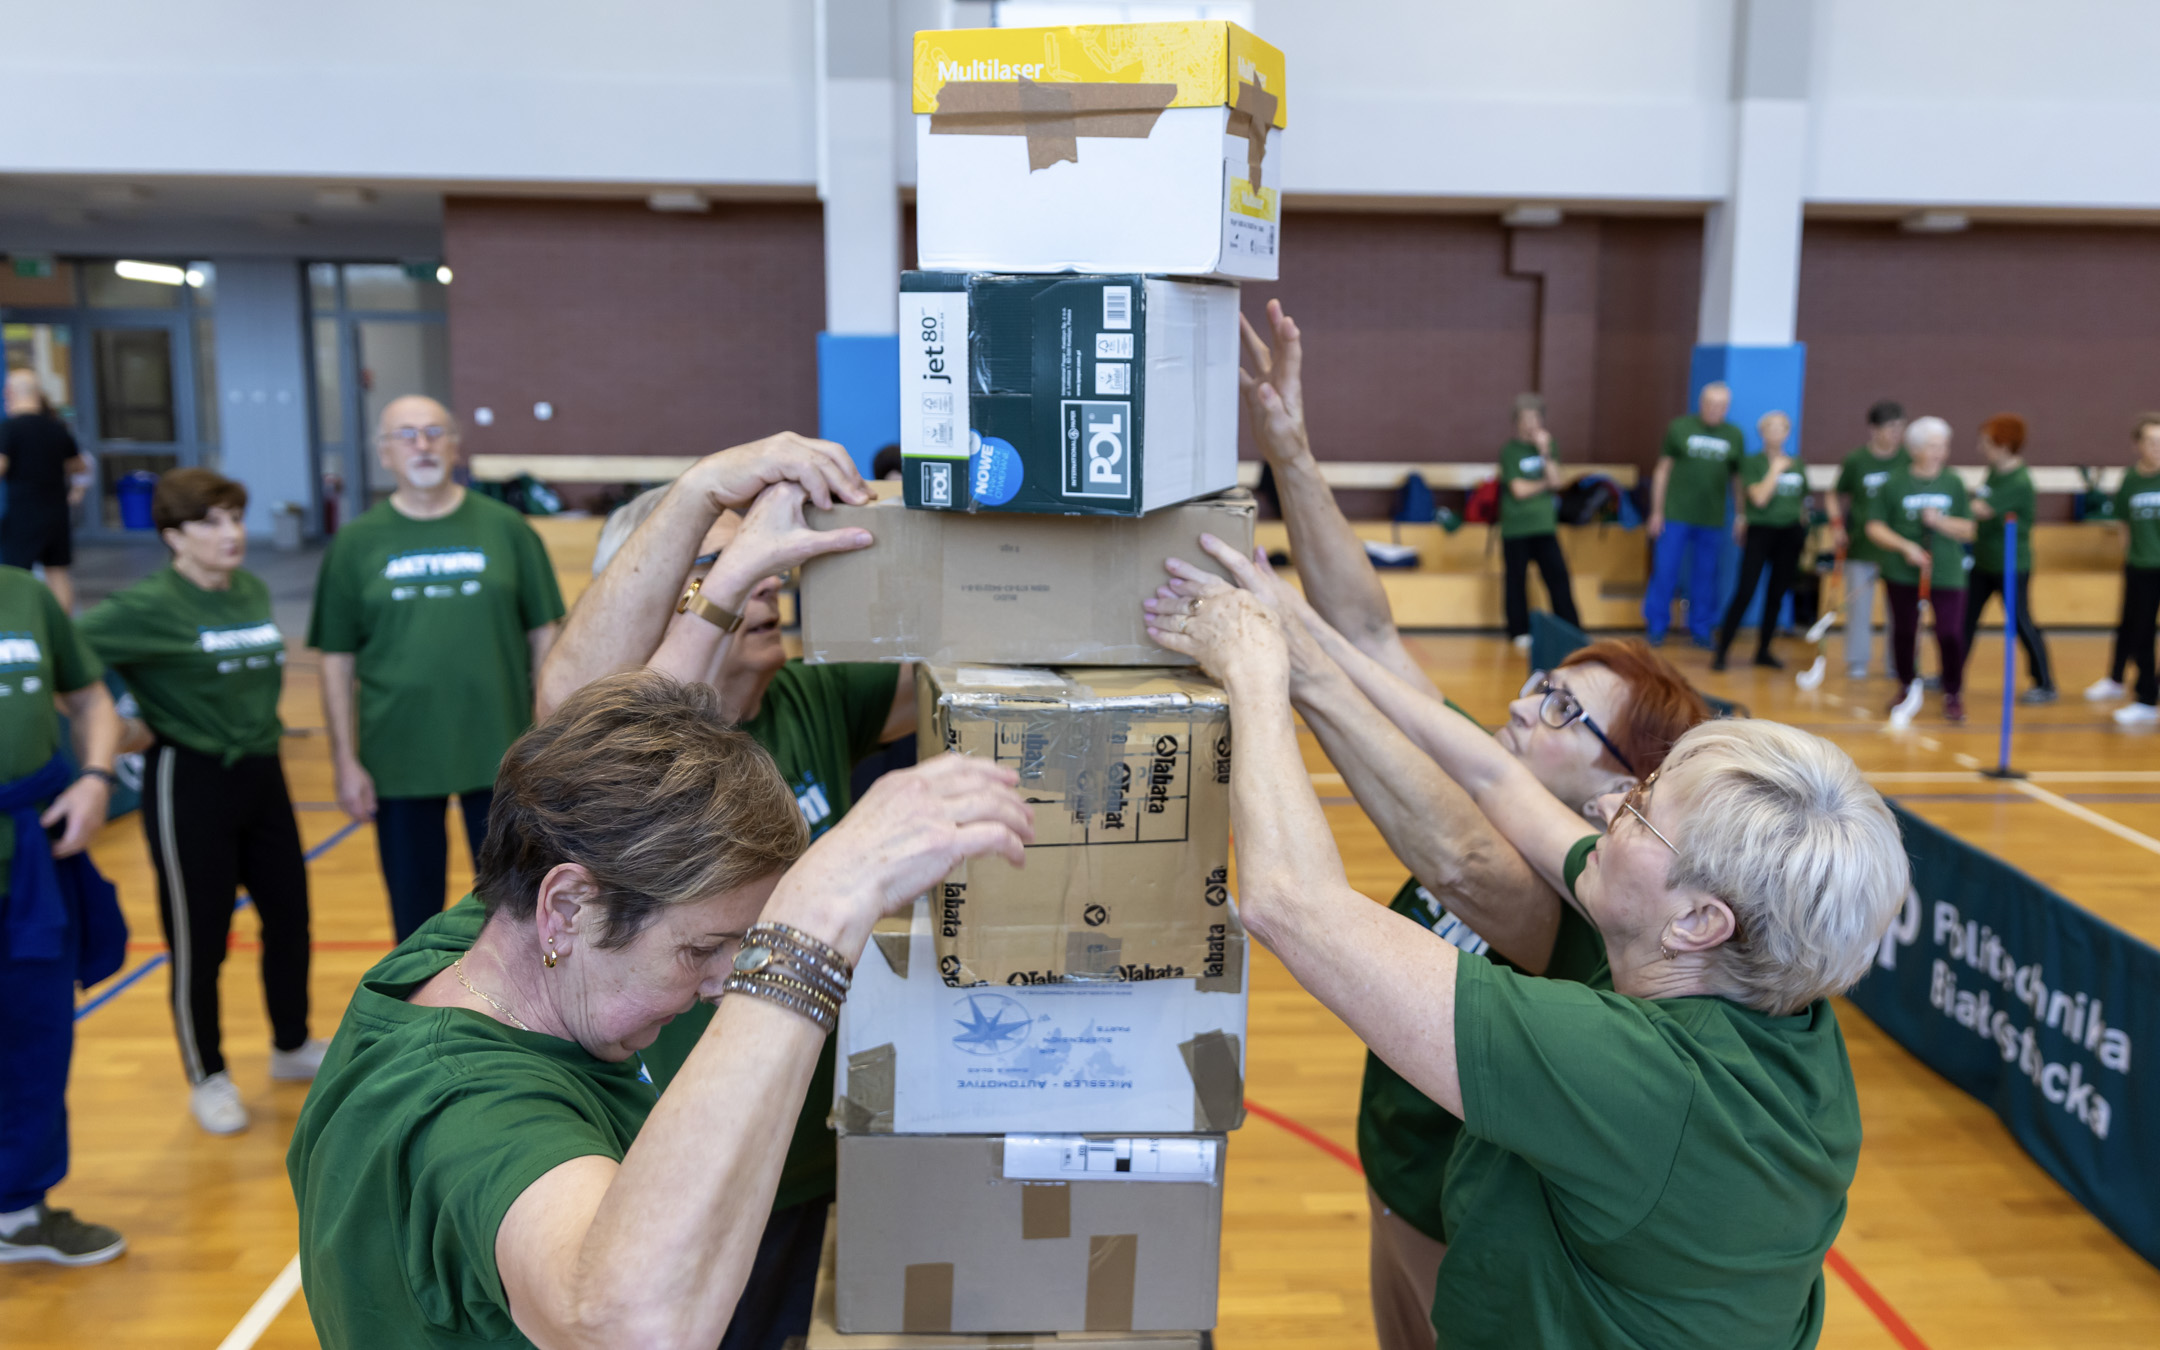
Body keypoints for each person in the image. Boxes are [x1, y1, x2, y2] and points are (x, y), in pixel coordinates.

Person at [1143, 571, 1908, 1350]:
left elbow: (1292, 904)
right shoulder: (1773, 1001)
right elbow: (1496, 777)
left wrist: (1255, 673)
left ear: (1699, 922)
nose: (1607, 808)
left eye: (1639, 813)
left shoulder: (1637, 1081)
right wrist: (1309, 657)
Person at [287, 670, 1032, 1350]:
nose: (720, 984)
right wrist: (808, 931)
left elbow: (594, 740)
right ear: (567, 907)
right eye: (701, 948)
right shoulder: (469, 1113)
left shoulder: (482, 943)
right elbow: (635, 1330)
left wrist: (718, 585)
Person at [1230, 301, 1710, 1348]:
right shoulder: (1494, 773)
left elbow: (1454, 856)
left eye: (1562, 711)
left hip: (1467, 1228)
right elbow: (1368, 627)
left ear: (1621, 785)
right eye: (1541, 685)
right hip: (1395, 1177)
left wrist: (1283, 656)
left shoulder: (1591, 905)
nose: (1525, 708)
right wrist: (1292, 450)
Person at [539, 438, 918, 1350]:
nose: (766, 581)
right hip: (671, 1156)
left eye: (768, 562)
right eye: (724, 566)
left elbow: (975, 647)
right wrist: (704, 492)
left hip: (807, 1140)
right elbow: (569, 696)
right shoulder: (618, 764)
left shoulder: (812, 699)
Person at [77, 468, 323, 1136]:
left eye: (236, 518)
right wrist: (122, 728)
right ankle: (207, 1074)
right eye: (211, 522)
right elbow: (68, 662)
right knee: (200, 938)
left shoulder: (249, 589)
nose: (231, 533)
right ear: (172, 535)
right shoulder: (145, 605)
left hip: (263, 773)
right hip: (188, 780)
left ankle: (291, 1043)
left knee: (290, 919)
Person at [309, 396, 566, 942]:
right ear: (384, 453)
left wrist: (547, 736)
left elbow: (545, 634)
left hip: (503, 757)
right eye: (406, 435)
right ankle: (422, 999)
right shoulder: (355, 543)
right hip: (397, 759)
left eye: (433, 432)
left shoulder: (508, 529)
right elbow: (335, 658)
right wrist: (345, 760)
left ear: (454, 445)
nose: (421, 445)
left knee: (514, 915)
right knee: (413, 920)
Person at [0, 561, 127, 1265]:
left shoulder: (24, 593)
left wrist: (96, 778)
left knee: (37, 1037)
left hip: (31, 863)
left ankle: (19, 1213)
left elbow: (89, 698)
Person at [1865, 416, 1975, 723]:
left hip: (1947, 573)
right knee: (1904, 632)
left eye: (1943, 446)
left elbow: (1969, 529)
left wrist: (1939, 522)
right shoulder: (1894, 483)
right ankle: (1906, 686)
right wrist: (1906, 547)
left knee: (1950, 633)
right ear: (1914, 449)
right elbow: (1874, 526)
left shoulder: (1953, 482)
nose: (1940, 452)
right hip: (1903, 573)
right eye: (1933, 446)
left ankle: (1953, 692)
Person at [1961, 415, 2056, 705]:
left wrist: (1944, 506)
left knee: (2021, 621)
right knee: (1964, 619)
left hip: (2010, 564)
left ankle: (2045, 683)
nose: (1981, 448)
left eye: (1986, 443)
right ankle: (1950, 674)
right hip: (1983, 560)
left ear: (2003, 445)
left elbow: (1981, 509)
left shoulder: (2019, 481)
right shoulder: (1995, 472)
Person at [1645, 382, 1745, 648]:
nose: (1714, 409)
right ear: (1701, 404)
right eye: (1709, 403)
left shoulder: (1734, 435)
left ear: (1727, 408)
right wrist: (1656, 511)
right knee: (1665, 571)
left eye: (1720, 405)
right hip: (1675, 514)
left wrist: (1741, 515)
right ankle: (1657, 626)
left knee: (1706, 576)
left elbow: (1737, 480)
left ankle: (1701, 628)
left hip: (1711, 518)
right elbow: (1662, 470)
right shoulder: (1680, 428)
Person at [1712, 411, 1809, 672]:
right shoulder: (1752, 462)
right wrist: (1775, 470)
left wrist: (1802, 527)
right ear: (1762, 433)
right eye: (1770, 428)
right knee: (1745, 591)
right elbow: (1759, 498)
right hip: (1761, 532)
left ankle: (1763, 650)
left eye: (1781, 428)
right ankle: (1722, 651)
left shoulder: (1797, 463)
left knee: (1776, 594)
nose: (1776, 433)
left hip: (1789, 534)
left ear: (1787, 433)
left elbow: (1801, 499)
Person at [1826, 401, 1908, 680]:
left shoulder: (1908, 459)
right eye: (1890, 428)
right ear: (1874, 429)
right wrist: (1837, 525)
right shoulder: (1857, 460)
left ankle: (1898, 663)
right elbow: (1834, 493)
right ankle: (1858, 661)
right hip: (1861, 546)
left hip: (1897, 549)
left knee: (1900, 611)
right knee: (1859, 609)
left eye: (1900, 427)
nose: (1896, 433)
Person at [0, 371, 89, 613]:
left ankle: (20, 626)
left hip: (23, 514)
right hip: (56, 512)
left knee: (15, 574)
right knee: (58, 572)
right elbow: (79, 465)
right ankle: (62, 628)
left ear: (9, 393)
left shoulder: (10, 428)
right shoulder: (56, 428)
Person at [1497, 394, 1579, 648]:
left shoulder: (1548, 447)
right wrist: (1545, 484)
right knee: (1516, 580)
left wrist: (1545, 451)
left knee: (1558, 578)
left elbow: (1557, 481)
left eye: (1535, 418)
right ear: (1516, 422)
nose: (1530, 424)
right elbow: (1519, 490)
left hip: (1544, 525)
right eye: (1525, 418)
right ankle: (1518, 631)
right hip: (1516, 527)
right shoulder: (1510, 451)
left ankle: (1571, 630)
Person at [2104, 414, 2160, 726]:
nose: (2157, 448)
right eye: (2151, 441)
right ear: (2138, 445)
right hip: (2141, 567)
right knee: (2141, 633)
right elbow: (2124, 523)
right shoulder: (2130, 480)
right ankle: (2146, 698)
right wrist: (2129, 557)